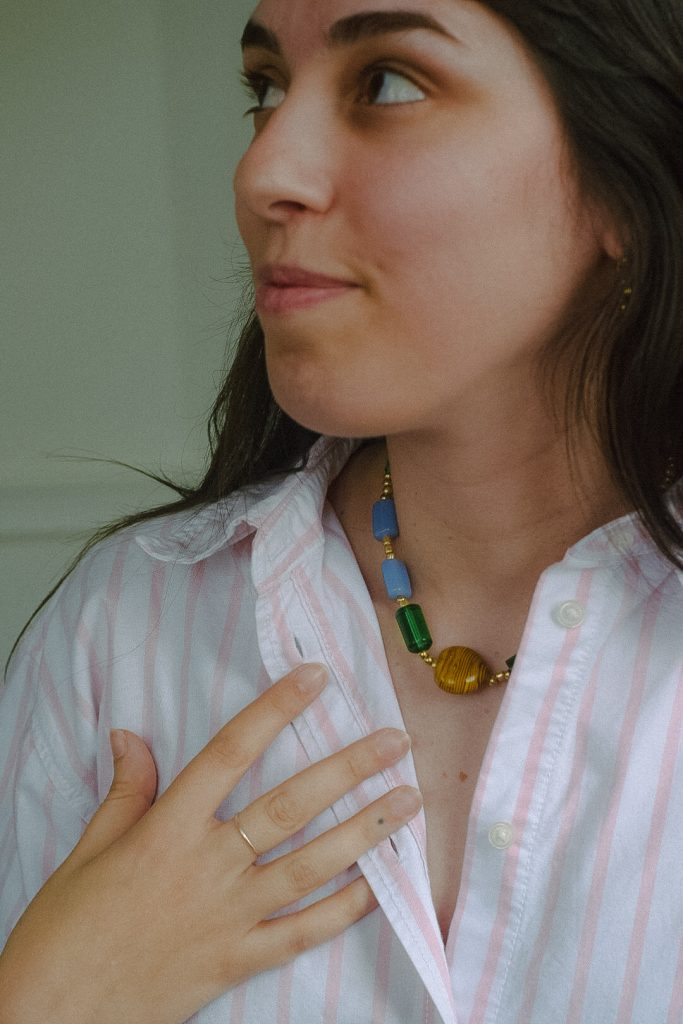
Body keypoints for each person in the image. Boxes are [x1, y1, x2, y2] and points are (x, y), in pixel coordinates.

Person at [1, 0, 682, 1021]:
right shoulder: (123, 631)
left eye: (388, 85)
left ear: (627, 175)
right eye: (266, 89)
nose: (261, 171)